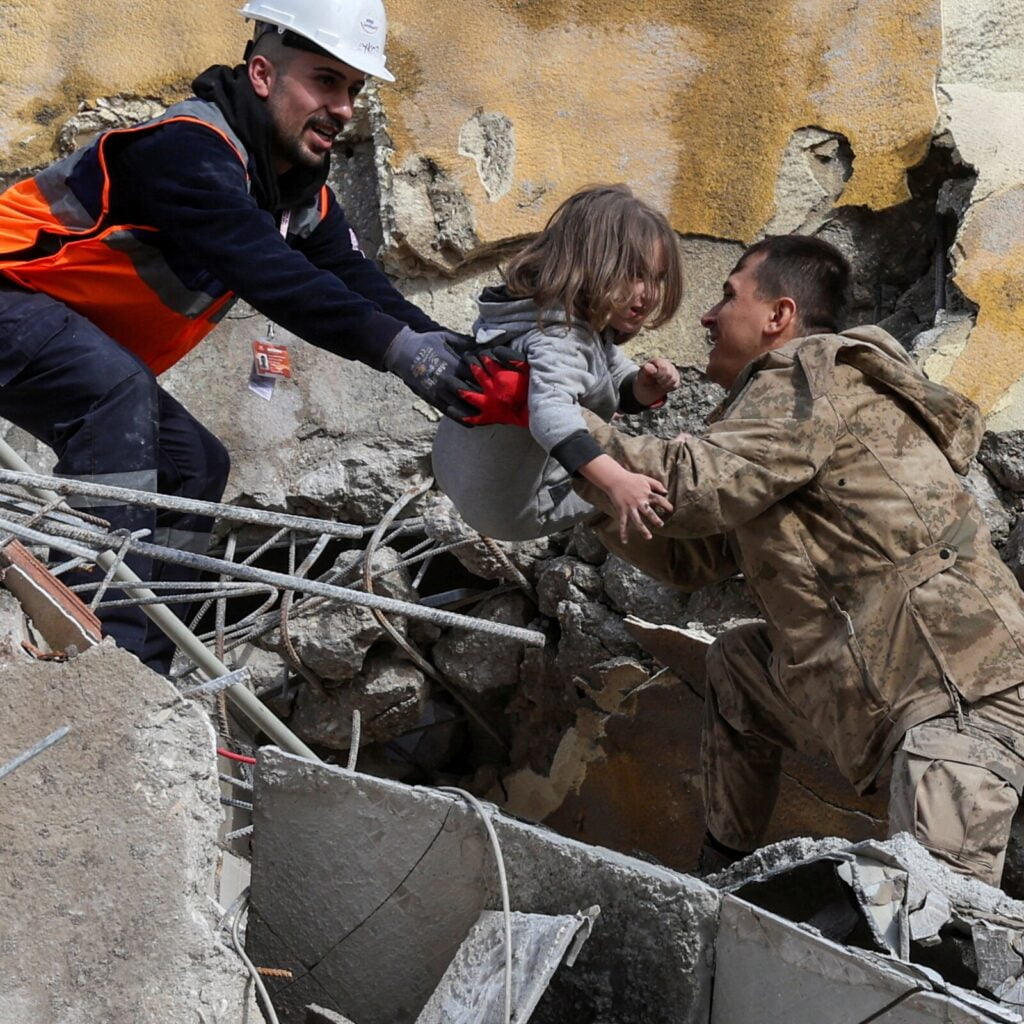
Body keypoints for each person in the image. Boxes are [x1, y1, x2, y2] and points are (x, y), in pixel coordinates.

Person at [0, 0, 525, 672]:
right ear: (261, 74)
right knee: (115, 397)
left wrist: (452, 351)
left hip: (41, 326)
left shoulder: (298, 198)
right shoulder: (186, 150)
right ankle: (96, 656)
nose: (343, 108)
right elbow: (265, 269)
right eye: (325, 81)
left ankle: (142, 671)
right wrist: (401, 353)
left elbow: (362, 286)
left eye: (354, 90)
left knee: (194, 465)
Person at [573, 234, 1024, 886]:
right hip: (896, 694)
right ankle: (724, 879)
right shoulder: (769, 421)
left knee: (930, 943)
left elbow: (695, 485)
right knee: (738, 665)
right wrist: (582, 488)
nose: (706, 317)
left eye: (728, 297)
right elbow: (689, 556)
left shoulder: (813, 376)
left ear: (778, 318)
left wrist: (561, 429)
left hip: (964, 698)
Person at [432, 184, 683, 543]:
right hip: (519, 511)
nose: (650, 293)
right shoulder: (559, 337)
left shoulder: (535, 314)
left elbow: (607, 368)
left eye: (657, 278)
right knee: (665, 479)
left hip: (457, 473)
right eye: (636, 274)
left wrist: (642, 386)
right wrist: (617, 482)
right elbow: (552, 415)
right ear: (592, 264)